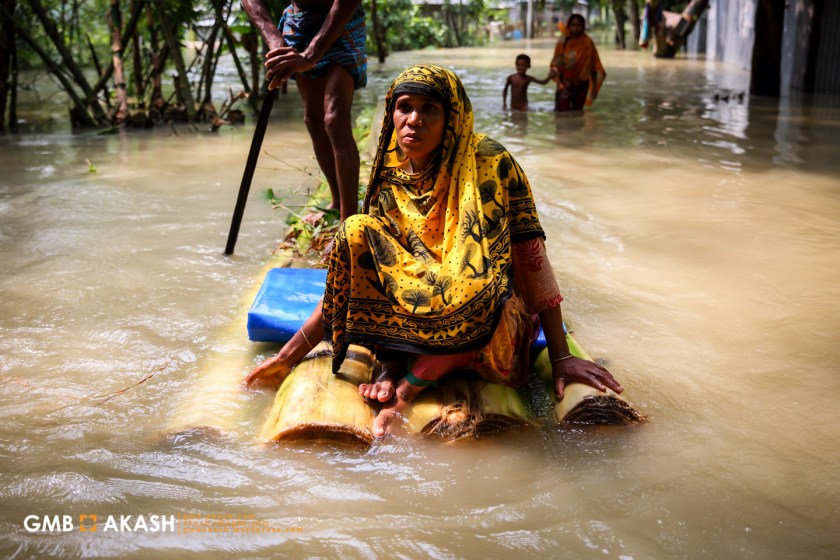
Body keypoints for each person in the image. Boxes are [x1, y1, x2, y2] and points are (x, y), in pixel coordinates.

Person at [245, 64, 623, 437]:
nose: (414, 120)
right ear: (392, 114)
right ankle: (394, 362)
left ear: (451, 117)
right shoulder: (390, 176)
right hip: (419, 316)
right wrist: (286, 356)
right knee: (354, 230)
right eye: (404, 107)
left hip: (486, 320)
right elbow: (353, 276)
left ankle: (406, 390)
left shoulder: (490, 162)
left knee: (471, 284)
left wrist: (561, 356)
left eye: (430, 109)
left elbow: (530, 254)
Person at [242, 0, 366, 222]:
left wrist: (310, 55)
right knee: (313, 119)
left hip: (340, 17)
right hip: (298, 21)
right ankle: (337, 202)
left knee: (334, 119)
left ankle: (349, 222)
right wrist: (274, 38)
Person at [550, 14, 606, 113]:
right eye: (573, 25)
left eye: (578, 25)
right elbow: (556, 63)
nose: (576, 28)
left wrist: (594, 89)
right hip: (564, 84)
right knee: (562, 116)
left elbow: (594, 66)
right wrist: (558, 78)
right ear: (569, 26)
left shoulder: (588, 42)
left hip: (582, 84)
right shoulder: (563, 41)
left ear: (583, 26)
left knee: (577, 113)